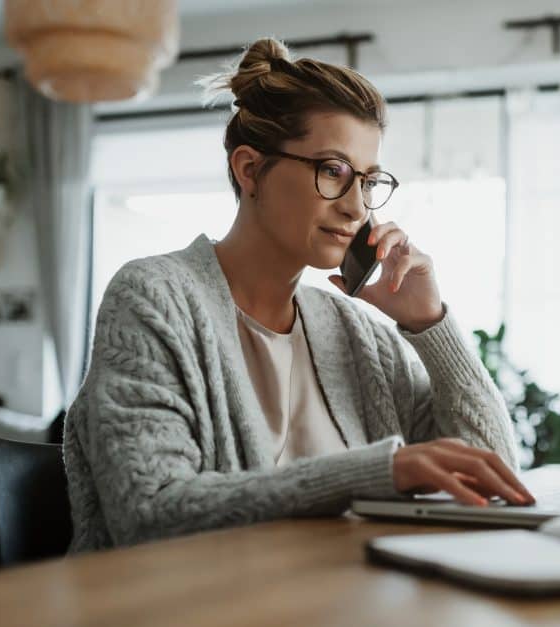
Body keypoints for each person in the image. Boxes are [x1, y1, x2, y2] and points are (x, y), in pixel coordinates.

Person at [64, 38, 532, 552]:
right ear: (249, 171)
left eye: (368, 181)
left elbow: (495, 478)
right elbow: (149, 512)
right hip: (187, 618)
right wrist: (372, 473)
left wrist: (430, 326)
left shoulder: (359, 335)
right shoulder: (153, 299)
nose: (357, 207)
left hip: (338, 609)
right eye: (333, 171)